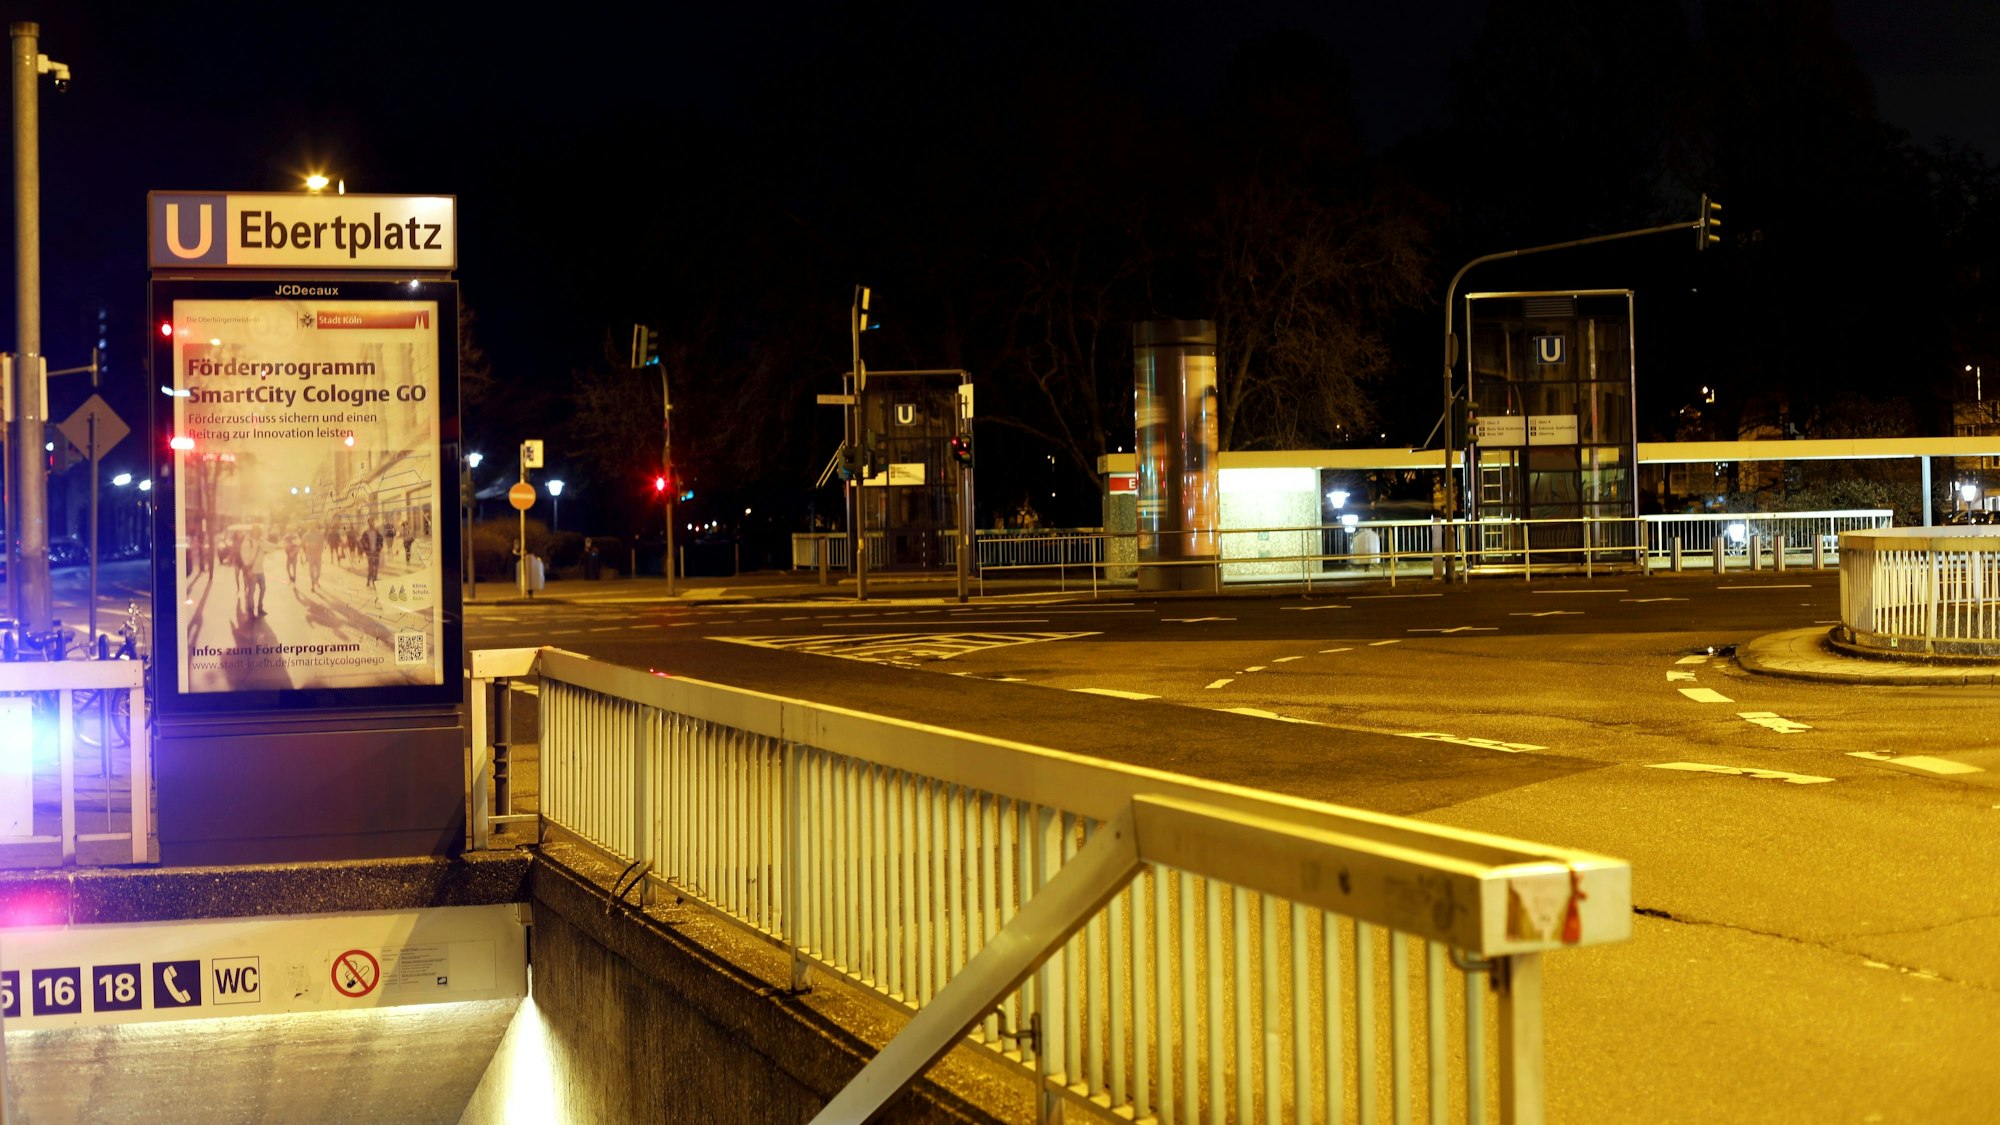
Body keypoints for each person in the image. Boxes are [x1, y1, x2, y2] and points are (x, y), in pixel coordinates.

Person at [239, 526, 269, 617]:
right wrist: (248, 570)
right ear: (252, 532)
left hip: (260, 570)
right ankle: (251, 609)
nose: (256, 533)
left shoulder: (261, 541)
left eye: (258, 531)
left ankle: (260, 607)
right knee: (251, 591)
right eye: (255, 531)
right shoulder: (248, 542)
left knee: (263, 589)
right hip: (252, 570)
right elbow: (244, 556)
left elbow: (269, 548)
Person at [362, 522, 384, 589]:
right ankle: (369, 581)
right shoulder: (365, 533)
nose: (372, 525)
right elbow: (362, 542)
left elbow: (381, 541)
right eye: (370, 523)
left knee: (376, 567)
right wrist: (366, 551)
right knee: (371, 567)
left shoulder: (377, 532)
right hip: (369, 553)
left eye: (372, 523)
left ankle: (374, 581)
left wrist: (379, 548)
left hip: (376, 552)